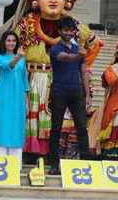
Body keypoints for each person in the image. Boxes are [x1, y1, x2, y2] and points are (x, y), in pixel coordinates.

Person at [0, 0, 101, 159]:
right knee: (31, 116)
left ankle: (55, 153)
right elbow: (9, 47)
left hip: (62, 81)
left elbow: (94, 45)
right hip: (32, 79)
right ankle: (31, 152)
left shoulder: (75, 26)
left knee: (58, 119)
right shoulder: (26, 23)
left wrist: (83, 67)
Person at [48, 17, 92, 175]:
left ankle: (86, 162)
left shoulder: (76, 48)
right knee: (56, 128)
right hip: (59, 91)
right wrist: (79, 54)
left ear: (74, 31)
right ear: (60, 31)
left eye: (71, 30)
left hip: (76, 91)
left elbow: (84, 71)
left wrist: (87, 94)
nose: (68, 33)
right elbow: (65, 58)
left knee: (82, 127)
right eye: (65, 30)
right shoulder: (55, 48)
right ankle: (53, 165)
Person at [0, 31, 29, 167]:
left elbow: (25, 81)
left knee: (16, 128)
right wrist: (18, 56)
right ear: (4, 42)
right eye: (8, 40)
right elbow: (9, 66)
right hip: (3, 97)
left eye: (13, 40)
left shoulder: (22, 60)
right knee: (2, 127)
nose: (11, 43)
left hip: (18, 98)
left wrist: (26, 101)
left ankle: (14, 166)